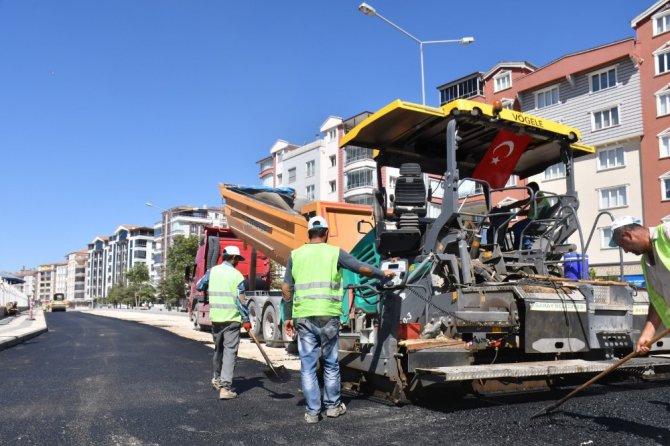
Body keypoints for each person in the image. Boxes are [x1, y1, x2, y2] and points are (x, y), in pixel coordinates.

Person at [282, 215, 395, 424]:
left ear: (309, 234)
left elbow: (287, 288)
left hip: (304, 316)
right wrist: (383, 274)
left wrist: (287, 316)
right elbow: (361, 267)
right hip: (328, 316)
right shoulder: (334, 252)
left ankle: (312, 412)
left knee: (307, 366)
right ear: (325, 233)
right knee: (331, 363)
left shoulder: (295, 255)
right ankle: (333, 407)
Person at [608, 216, 670, 354]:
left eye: (622, 245)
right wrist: (647, 335)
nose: (626, 251)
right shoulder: (645, 262)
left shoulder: (667, 231)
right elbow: (658, 301)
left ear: (628, 235)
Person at [196, 245, 251, 400]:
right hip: (232, 319)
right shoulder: (237, 275)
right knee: (230, 353)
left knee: (218, 350)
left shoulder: (212, 272)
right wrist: (246, 319)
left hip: (216, 318)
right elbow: (241, 301)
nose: (238, 262)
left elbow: (199, 285)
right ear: (233, 258)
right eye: (238, 259)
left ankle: (217, 379)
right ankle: (225, 388)